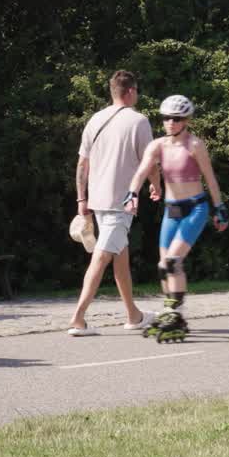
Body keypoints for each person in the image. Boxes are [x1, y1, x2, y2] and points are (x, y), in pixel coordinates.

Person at [123, 95, 229, 342]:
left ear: (186, 120)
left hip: (195, 208)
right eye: (167, 118)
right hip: (172, 209)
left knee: (173, 261)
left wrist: (219, 207)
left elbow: (210, 179)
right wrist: (131, 194)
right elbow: (141, 172)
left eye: (176, 118)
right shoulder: (158, 145)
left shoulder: (194, 145)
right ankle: (173, 313)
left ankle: (176, 314)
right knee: (162, 266)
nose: (170, 122)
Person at [67, 70, 158, 336]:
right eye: (137, 91)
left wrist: (81, 199)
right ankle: (78, 318)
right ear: (130, 91)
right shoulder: (139, 121)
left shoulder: (95, 120)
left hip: (98, 201)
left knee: (120, 259)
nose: (137, 95)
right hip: (121, 203)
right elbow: (150, 160)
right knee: (101, 258)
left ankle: (133, 315)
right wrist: (157, 184)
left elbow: (82, 164)